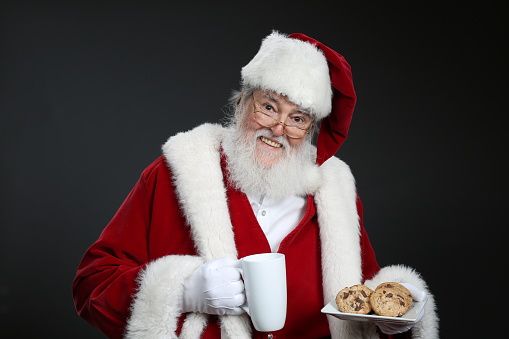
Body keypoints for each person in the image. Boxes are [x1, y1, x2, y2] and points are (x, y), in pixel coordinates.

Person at [72, 31, 439, 339]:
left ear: (311, 131)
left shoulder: (336, 190)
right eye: (268, 107)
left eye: (297, 118)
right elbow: (92, 284)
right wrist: (182, 292)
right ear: (243, 102)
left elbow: (365, 295)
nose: (278, 129)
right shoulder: (176, 173)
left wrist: (394, 311)